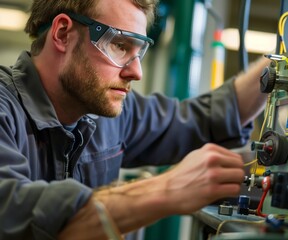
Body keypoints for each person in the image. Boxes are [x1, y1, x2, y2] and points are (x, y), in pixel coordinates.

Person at [0, 0, 270, 239]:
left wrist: (283, 67)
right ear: (62, 33)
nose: (136, 72)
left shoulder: (108, 115)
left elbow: (206, 119)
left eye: (138, 51)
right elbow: (15, 213)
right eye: (119, 45)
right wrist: (163, 190)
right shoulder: (6, 109)